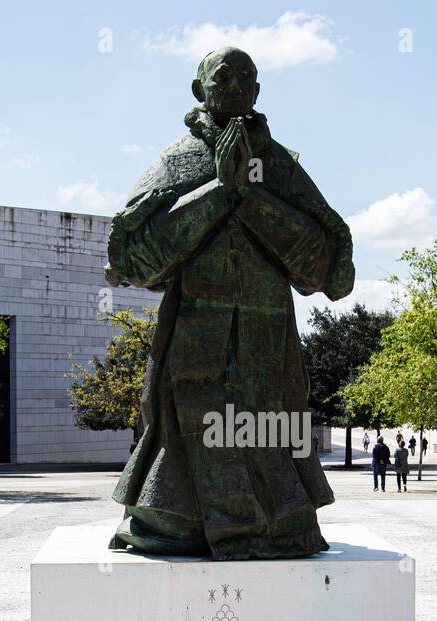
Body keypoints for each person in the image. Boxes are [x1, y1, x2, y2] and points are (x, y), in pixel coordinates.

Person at [103, 46, 355, 559]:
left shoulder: (279, 164)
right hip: (194, 344)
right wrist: (218, 192)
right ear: (201, 88)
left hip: (268, 348)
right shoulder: (178, 160)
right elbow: (135, 258)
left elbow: (327, 268)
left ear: (259, 93)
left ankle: (275, 524)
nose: (238, 84)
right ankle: (178, 522)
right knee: (178, 488)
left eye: (249, 77)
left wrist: (253, 198)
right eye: (225, 74)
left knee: (271, 451)